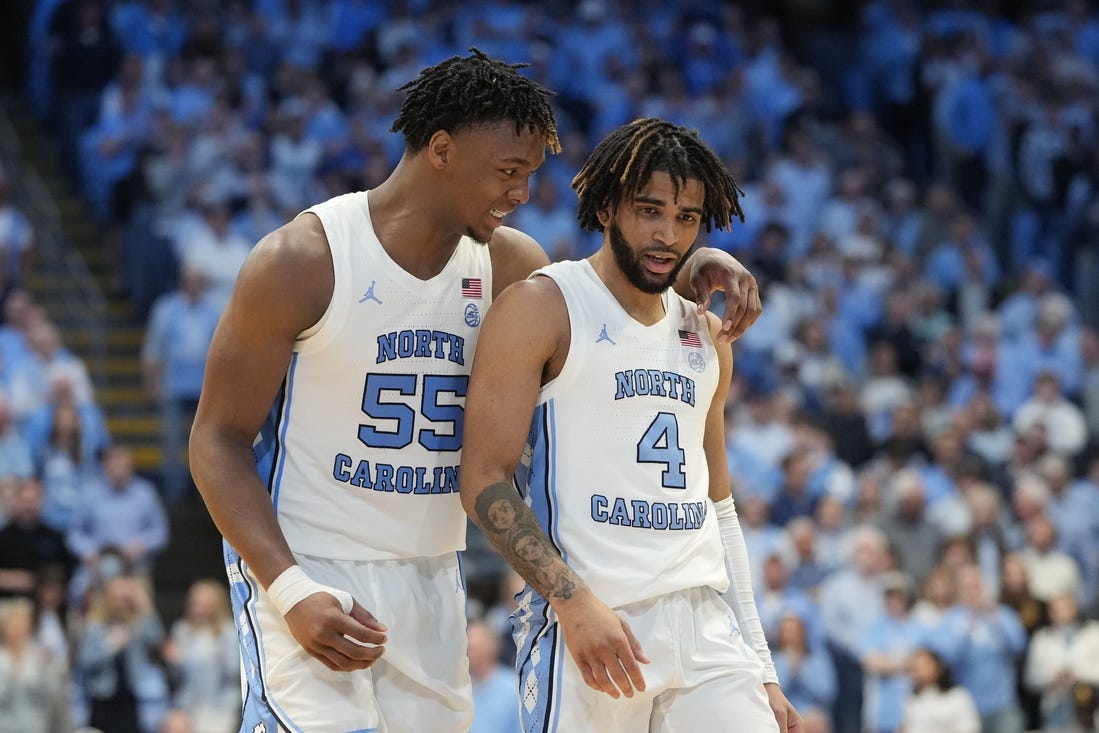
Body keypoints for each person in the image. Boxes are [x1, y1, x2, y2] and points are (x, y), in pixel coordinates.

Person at [188, 51, 764, 733]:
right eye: (507, 171)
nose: (520, 192)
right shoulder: (302, 261)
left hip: (432, 573)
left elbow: (599, 309)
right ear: (440, 150)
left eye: (528, 174)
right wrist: (286, 587)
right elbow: (216, 441)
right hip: (311, 559)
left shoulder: (508, 264)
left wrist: (687, 262)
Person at [460, 117, 798, 732]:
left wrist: (763, 666)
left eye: (688, 219)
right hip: (590, 615)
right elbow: (483, 480)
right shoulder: (544, 306)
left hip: (705, 631)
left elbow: (718, 509)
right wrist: (568, 599)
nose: (668, 235)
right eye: (649, 211)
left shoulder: (708, 335)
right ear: (609, 205)